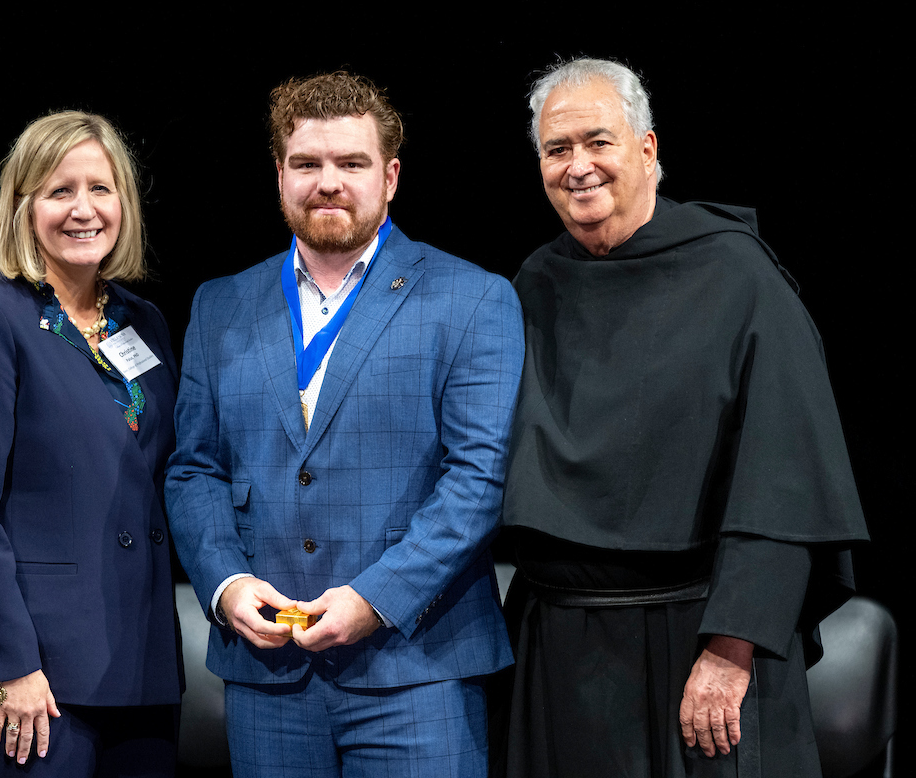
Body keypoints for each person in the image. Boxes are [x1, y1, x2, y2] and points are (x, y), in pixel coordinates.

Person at [493, 57, 869, 777]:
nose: (578, 167)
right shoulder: (533, 285)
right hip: (558, 650)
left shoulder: (739, 277)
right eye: (557, 149)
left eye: (597, 142)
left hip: (699, 645)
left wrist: (731, 651)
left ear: (647, 148)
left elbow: (785, 482)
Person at [164, 71, 524, 777]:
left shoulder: (474, 299)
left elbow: (478, 480)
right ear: (279, 175)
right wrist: (226, 583)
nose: (328, 182)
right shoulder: (221, 305)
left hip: (418, 671)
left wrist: (374, 599)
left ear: (389, 177)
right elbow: (194, 468)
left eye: (351, 163)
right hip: (268, 676)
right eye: (307, 164)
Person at [0, 111, 182, 776]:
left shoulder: (141, 322)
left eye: (101, 188)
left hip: (138, 659)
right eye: (60, 191)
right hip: (33, 676)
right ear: (22, 207)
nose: (84, 209)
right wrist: (9, 663)